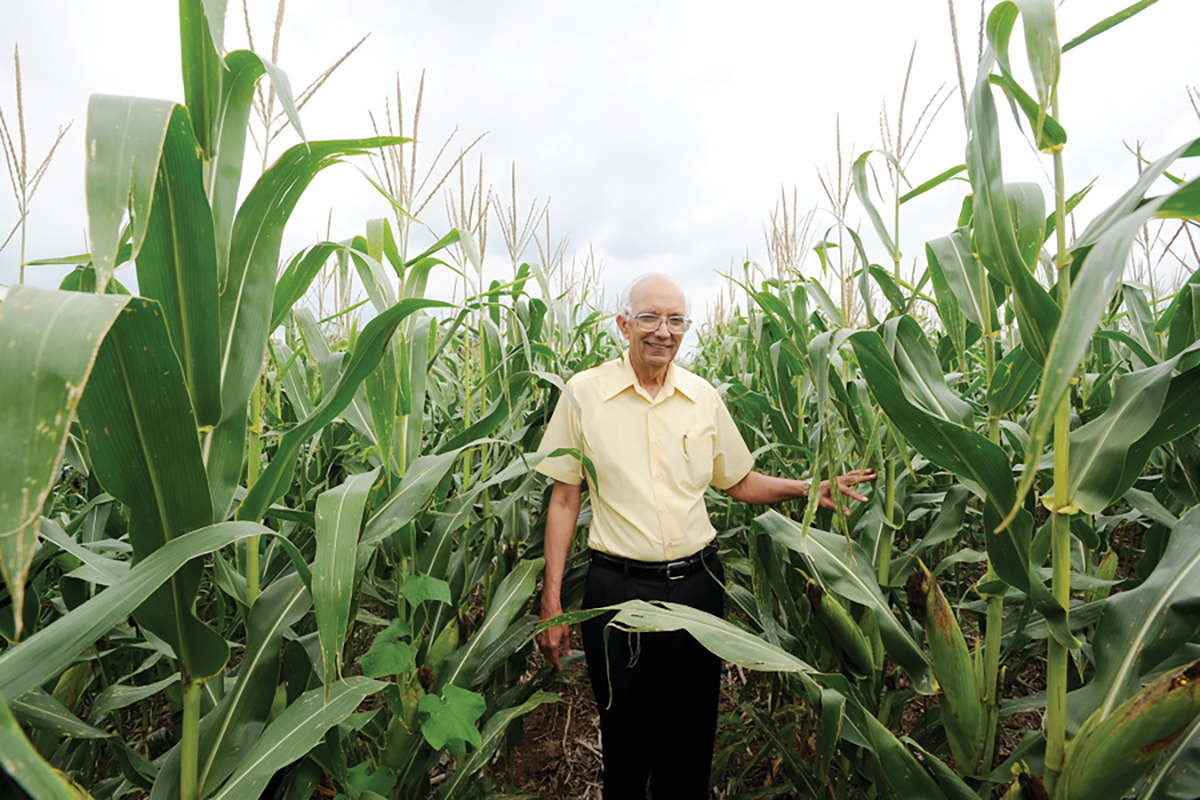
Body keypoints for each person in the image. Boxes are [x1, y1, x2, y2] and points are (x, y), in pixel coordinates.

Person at [534, 273, 874, 798]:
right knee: (625, 741)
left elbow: (736, 480)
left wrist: (809, 488)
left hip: (697, 586)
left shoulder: (701, 397)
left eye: (675, 320)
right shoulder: (585, 395)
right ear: (624, 324)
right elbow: (564, 498)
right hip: (617, 594)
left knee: (691, 741)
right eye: (649, 317)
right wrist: (552, 600)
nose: (662, 332)